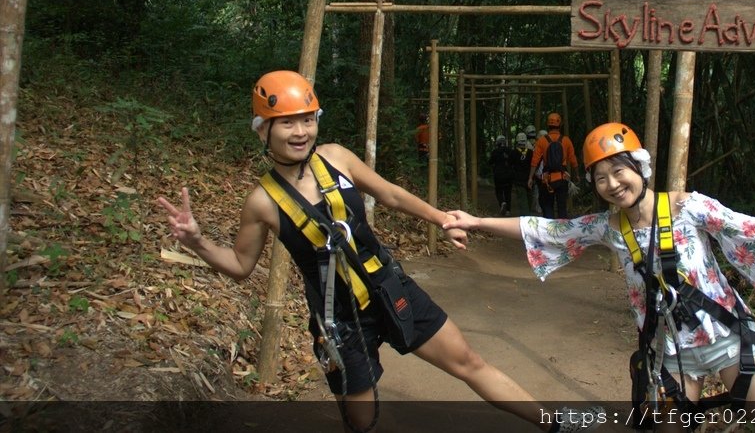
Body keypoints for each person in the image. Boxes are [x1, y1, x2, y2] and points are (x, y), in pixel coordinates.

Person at [157, 71, 600, 433]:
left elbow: (389, 194)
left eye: (307, 119)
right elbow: (239, 265)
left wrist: (442, 218)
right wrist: (197, 242)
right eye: (287, 122)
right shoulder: (262, 202)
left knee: (469, 361)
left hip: (391, 287)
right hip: (339, 319)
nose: (300, 131)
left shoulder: (335, 157)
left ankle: (555, 423)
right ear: (263, 130)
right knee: (361, 418)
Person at [444, 122, 755, 432]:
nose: (612, 184)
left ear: (641, 168)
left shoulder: (689, 207)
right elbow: (545, 229)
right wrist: (478, 222)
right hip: (667, 353)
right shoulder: (609, 227)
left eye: (619, 170)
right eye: (601, 177)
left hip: (726, 340)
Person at [527, 113, 579, 219]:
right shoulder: (566, 140)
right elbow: (573, 160)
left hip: (547, 179)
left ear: (548, 125)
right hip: (562, 177)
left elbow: (534, 161)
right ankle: (562, 233)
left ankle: (549, 233)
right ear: (560, 124)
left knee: (547, 207)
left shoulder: (542, 141)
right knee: (562, 208)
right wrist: (577, 174)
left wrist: (530, 177)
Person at [489, 135, 515, 216]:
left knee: (499, 191)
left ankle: (502, 202)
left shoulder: (495, 151)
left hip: (498, 175)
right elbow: (514, 162)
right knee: (508, 192)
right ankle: (508, 211)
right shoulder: (510, 151)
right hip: (509, 175)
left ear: (498, 143)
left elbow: (490, 162)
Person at [511, 132, 534, 216]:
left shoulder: (513, 153)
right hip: (529, 179)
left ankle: (526, 218)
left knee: (523, 200)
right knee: (529, 199)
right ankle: (527, 216)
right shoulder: (531, 153)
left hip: (519, 180)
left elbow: (510, 164)